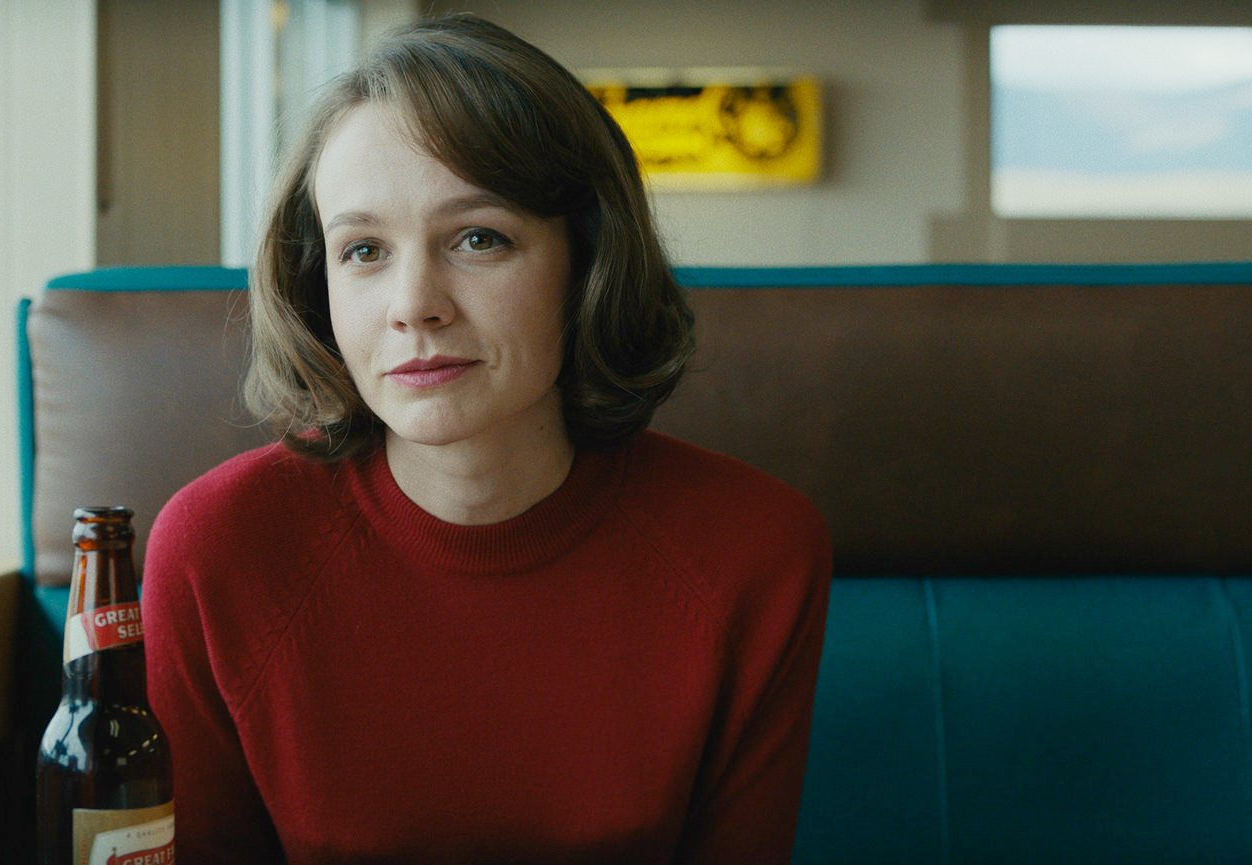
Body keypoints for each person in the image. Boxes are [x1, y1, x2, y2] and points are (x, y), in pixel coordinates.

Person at [141, 13, 831, 864]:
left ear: (589, 260)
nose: (413, 305)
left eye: (478, 238)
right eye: (364, 250)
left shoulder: (757, 551)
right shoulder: (215, 550)